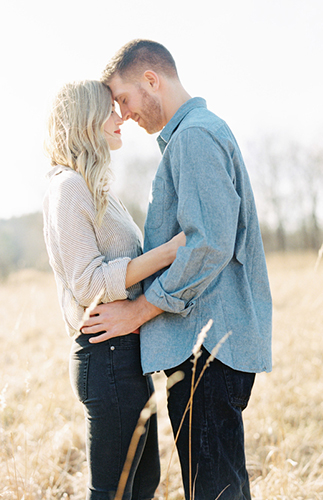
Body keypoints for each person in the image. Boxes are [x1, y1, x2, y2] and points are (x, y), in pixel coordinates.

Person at [82, 40, 272, 500]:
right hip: (205, 345)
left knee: (214, 491)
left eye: (124, 99)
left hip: (205, 346)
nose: (123, 115)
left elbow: (207, 244)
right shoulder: (193, 136)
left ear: (152, 80)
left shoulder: (195, 136)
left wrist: (139, 311)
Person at [43, 79, 186, 500]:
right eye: (109, 109)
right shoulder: (68, 188)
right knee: (112, 493)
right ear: (85, 120)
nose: (120, 116)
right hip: (105, 356)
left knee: (140, 487)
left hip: (125, 355)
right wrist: (167, 253)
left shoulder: (95, 187)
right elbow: (87, 282)